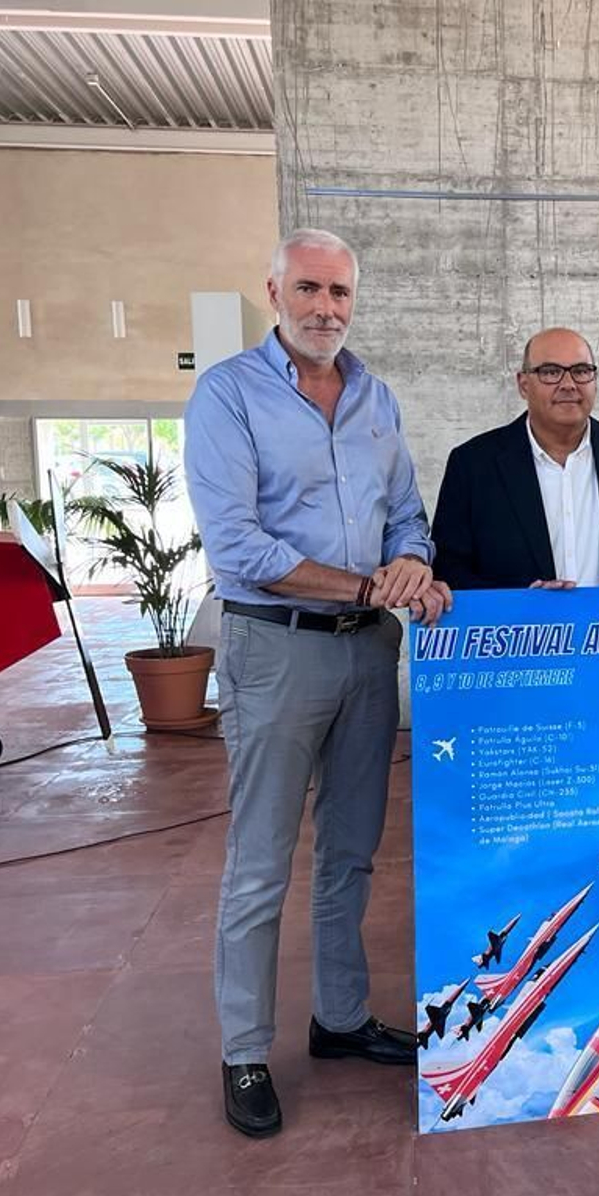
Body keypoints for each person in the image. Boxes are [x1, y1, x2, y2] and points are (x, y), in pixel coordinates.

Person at [184, 227, 451, 1139]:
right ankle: (245, 1050)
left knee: (349, 852)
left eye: (339, 293)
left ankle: (338, 1020)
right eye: (308, 289)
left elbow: (407, 516)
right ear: (273, 290)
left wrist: (411, 567)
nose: (325, 308)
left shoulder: (376, 397)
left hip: (370, 652)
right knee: (260, 862)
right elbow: (240, 547)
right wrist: (371, 584)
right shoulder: (227, 395)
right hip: (274, 649)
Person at [431, 327, 599, 589]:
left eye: (581, 371)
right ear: (523, 384)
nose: (568, 384)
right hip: (521, 627)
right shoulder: (473, 465)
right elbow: (449, 569)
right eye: (551, 372)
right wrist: (522, 605)